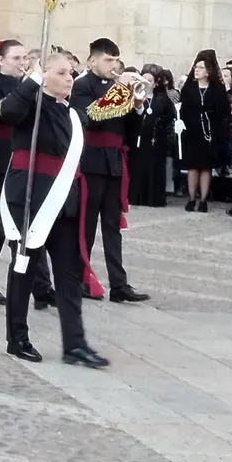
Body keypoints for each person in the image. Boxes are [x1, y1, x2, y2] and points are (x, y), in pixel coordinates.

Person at [0, 51, 109, 368]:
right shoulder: (30, 105)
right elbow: (9, 111)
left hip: (64, 201)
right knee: (24, 267)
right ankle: (17, 337)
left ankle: (75, 344)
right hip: (31, 197)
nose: (69, 78)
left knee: (68, 273)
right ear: (43, 75)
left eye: (71, 73)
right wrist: (33, 78)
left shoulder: (71, 113)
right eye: (60, 72)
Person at [70, 38, 149, 303]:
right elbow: (90, 117)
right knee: (86, 225)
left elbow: (131, 130)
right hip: (91, 162)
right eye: (107, 59)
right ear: (93, 61)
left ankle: (119, 284)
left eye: (116, 60)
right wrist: (119, 91)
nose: (113, 65)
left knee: (113, 227)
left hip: (115, 162)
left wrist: (137, 106)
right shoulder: (82, 85)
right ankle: (81, 278)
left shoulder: (119, 89)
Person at [0, 39, 50, 307]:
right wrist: (30, 85)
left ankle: (41, 286)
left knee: (30, 222)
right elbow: (4, 112)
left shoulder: (29, 85)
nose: (22, 63)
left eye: (25, 58)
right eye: (16, 58)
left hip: (25, 158)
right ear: (1, 60)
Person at [179, 50, 231, 211]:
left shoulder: (217, 90)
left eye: (201, 67)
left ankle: (203, 200)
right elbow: (183, 109)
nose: (197, 70)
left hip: (210, 134)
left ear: (208, 71)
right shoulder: (189, 89)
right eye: (196, 67)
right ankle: (191, 198)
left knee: (206, 167)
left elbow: (223, 113)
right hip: (192, 133)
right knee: (193, 166)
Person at [128, 66, 176, 207]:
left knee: (155, 167)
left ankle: (154, 198)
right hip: (139, 138)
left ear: (155, 83)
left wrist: (158, 121)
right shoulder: (134, 96)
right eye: (144, 79)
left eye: (149, 80)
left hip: (156, 138)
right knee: (139, 167)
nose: (146, 82)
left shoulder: (161, 98)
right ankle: (137, 197)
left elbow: (170, 115)